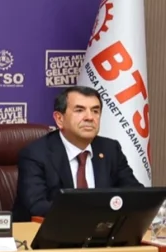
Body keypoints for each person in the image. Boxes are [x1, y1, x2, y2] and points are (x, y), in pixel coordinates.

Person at [14, 85, 142, 221]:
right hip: (48, 230)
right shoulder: (35, 153)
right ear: (59, 119)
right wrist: (93, 214)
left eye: (95, 111)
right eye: (79, 110)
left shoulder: (110, 149)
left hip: (101, 230)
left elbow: (136, 194)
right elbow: (37, 206)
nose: (90, 117)